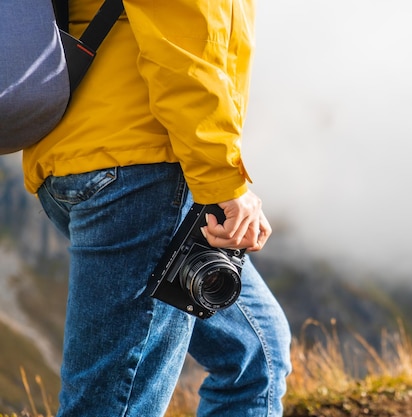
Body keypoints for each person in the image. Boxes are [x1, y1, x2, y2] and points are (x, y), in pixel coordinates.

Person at [20, 0, 292, 416]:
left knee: (256, 354)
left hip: (76, 159)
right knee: (114, 405)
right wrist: (223, 179)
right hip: (140, 170)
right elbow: (183, 49)